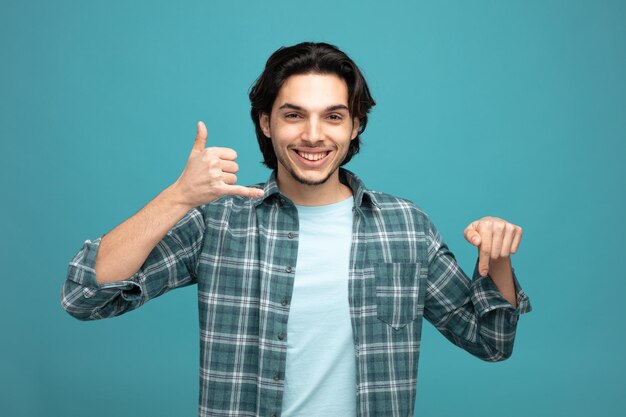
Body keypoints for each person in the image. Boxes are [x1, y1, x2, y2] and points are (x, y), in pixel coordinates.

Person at [61, 42, 531, 417]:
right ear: (266, 123)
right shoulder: (218, 221)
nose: (313, 134)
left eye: (333, 115)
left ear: (354, 125)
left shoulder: (406, 227)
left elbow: (490, 342)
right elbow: (86, 295)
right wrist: (178, 197)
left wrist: (499, 257)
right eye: (293, 115)